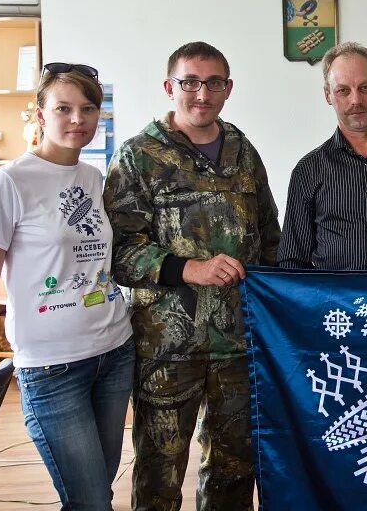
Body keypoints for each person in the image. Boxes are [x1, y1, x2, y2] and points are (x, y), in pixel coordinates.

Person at [103, 41, 281, 510]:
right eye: (190, 82)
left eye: (214, 83)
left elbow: (270, 240)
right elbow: (120, 253)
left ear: (228, 88)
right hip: (167, 348)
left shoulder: (243, 151)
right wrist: (191, 269)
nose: (202, 93)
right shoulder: (138, 156)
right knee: (160, 471)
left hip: (238, 344)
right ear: (170, 87)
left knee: (233, 470)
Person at [0, 63, 133, 510]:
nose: (78, 119)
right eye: (63, 108)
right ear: (39, 114)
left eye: (89, 108)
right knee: (90, 500)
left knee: (96, 493)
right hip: (52, 368)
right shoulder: (8, 183)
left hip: (114, 353)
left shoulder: (94, 179)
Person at [278, 42, 367, 270]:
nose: (356, 100)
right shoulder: (308, 170)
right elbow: (293, 261)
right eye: (343, 90)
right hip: (334, 305)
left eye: (364, 88)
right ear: (328, 95)